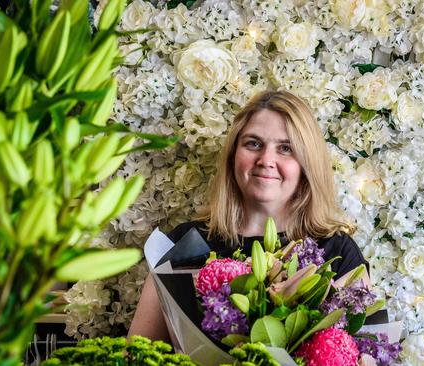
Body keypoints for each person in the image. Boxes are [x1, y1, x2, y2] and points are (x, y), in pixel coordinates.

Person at [128, 90, 369, 342]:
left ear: (306, 164)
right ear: (234, 155)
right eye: (253, 143)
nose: (266, 160)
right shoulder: (185, 244)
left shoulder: (338, 252)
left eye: (285, 148)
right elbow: (138, 351)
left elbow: (366, 354)